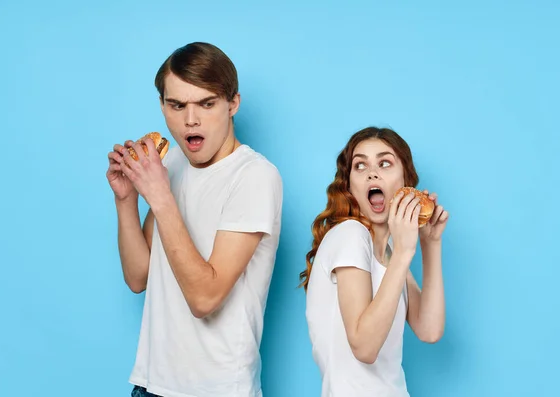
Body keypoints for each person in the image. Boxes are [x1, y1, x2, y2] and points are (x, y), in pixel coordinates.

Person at [105, 42, 283, 397]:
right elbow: (139, 277)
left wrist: (158, 194)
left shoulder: (254, 176)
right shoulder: (171, 165)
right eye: (177, 105)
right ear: (162, 106)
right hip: (151, 384)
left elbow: (204, 299)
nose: (190, 120)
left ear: (233, 103)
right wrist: (126, 200)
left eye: (206, 103)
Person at [301, 127, 448, 397]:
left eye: (385, 163)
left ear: (406, 182)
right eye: (360, 165)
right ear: (349, 185)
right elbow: (364, 348)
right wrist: (405, 252)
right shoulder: (349, 235)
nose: (372, 172)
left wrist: (431, 243)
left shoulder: (390, 251)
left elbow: (429, 329)